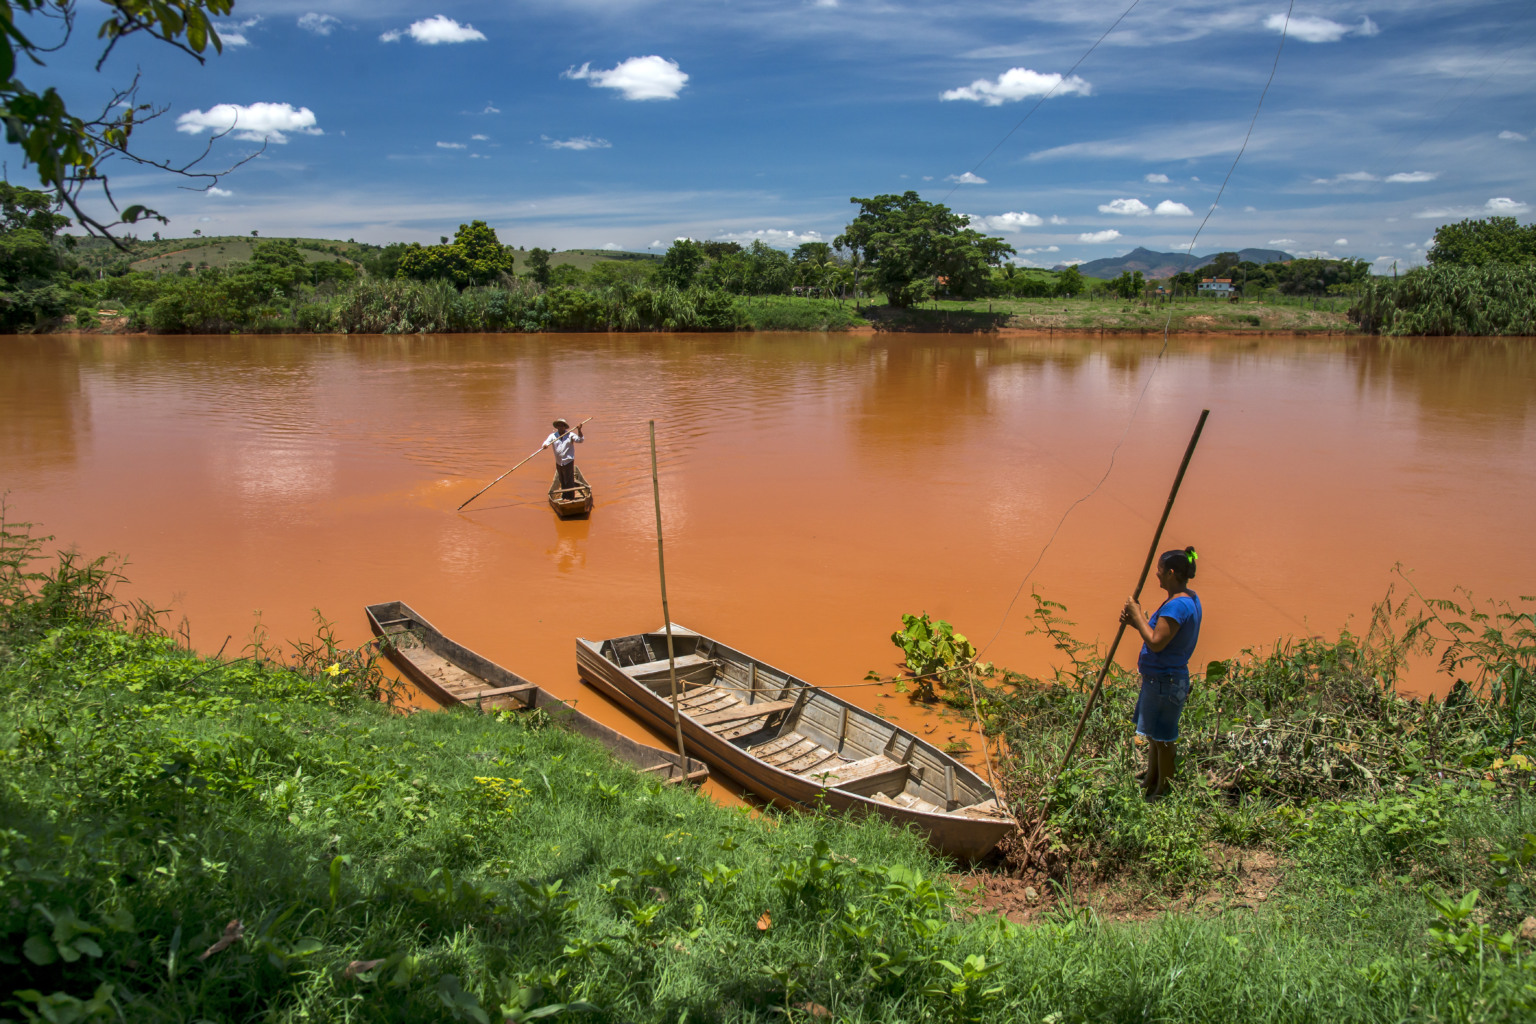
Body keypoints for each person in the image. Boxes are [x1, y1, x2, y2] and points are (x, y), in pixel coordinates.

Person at [1120, 546, 1202, 800]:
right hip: (1162, 678)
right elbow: (1161, 634)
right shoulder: (1187, 598)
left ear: (1171, 573)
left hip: (1166, 680)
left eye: (1160, 571)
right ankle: (1151, 780)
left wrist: (1136, 616)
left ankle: (1164, 790)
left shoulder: (1177, 606)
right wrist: (1140, 621)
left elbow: (1157, 642)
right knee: (1156, 737)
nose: (1156, 575)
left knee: (1164, 738)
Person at [542, 418, 584, 498]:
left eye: (562, 425)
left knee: (569, 480)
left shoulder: (570, 435)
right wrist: (545, 445)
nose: (560, 427)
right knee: (562, 480)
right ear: (557, 427)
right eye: (559, 425)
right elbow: (546, 442)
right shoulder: (553, 436)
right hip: (559, 462)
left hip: (568, 461)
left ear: (565, 427)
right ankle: (565, 496)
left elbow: (580, 440)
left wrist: (579, 430)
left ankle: (570, 497)